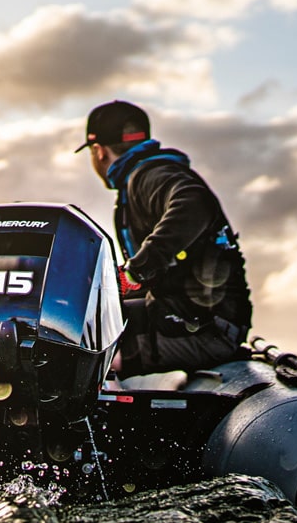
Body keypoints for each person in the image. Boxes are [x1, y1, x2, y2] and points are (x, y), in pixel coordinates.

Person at [75, 100, 251, 375]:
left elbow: (193, 202)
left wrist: (136, 271)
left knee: (84, 351)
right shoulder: (148, 175)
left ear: (98, 152)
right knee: (87, 320)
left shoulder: (148, 176)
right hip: (196, 317)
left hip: (205, 328)